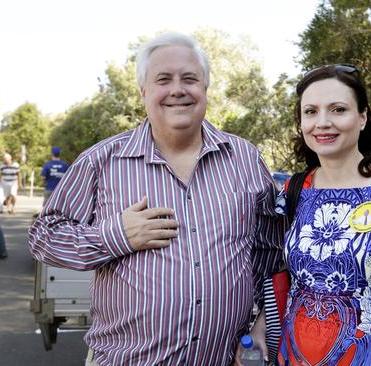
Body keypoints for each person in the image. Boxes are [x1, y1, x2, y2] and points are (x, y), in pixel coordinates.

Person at [28, 32, 285, 366]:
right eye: (163, 79)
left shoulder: (245, 159)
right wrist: (116, 236)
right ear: (143, 92)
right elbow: (44, 236)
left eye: (189, 79)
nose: (177, 89)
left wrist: (256, 319)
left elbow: (272, 248)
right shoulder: (102, 161)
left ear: (205, 89)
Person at [241, 64, 371, 366]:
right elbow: (286, 280)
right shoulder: (294, 190)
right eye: (310, 112)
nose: (322, 122)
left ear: (362, 117)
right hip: (294, 358)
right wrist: (260, 328)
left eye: (337, 109)